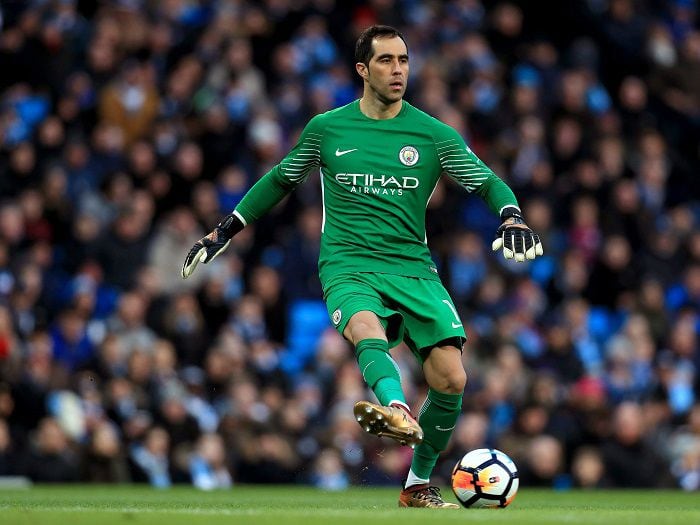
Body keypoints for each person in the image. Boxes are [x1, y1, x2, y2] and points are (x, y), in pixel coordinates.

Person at [182, 25, 543, 508]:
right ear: (362, 69)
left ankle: (416, 484)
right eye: (386, 61)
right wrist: (224, 229)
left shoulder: (432, 134)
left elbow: (488, 181)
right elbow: (280, 179)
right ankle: (394, 404)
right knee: (364, 328)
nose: (398, 71)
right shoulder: (328, 128)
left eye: (404, 61)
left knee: (452, 379)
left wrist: (512, 214)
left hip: (412, 267)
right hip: (347, 263)